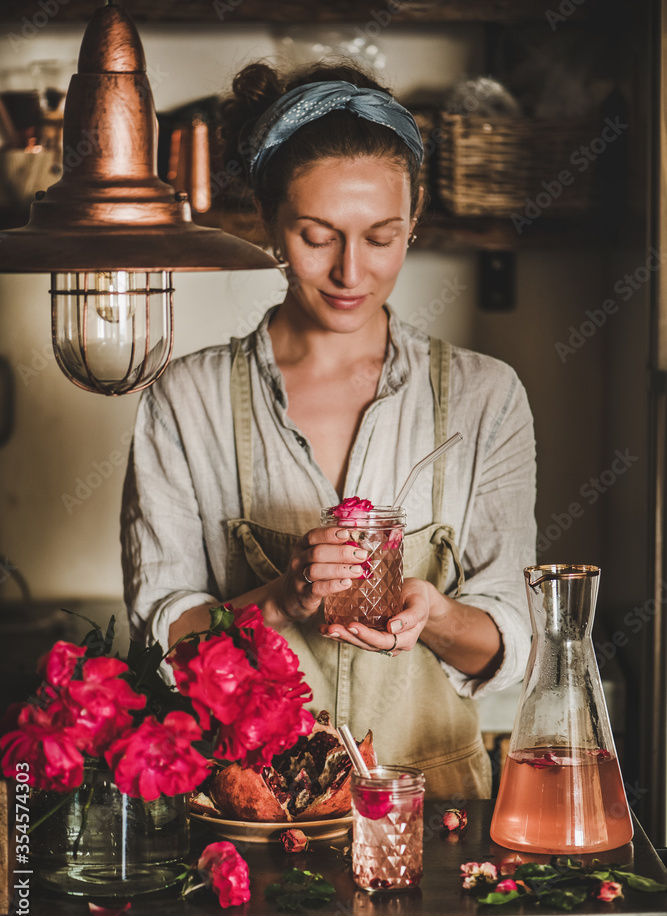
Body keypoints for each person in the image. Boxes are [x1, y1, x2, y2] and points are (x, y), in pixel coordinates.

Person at [121, 62, 537, 799]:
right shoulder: (186, 401)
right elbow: (162, 645)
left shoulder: (485, 397)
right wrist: (279, 601)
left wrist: (435, 616)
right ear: (269, 219)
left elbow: (509, 642)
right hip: (247, 817)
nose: (351, 271)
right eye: (317, 235)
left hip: (431, 814)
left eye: (381, 237)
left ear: (414, 221)